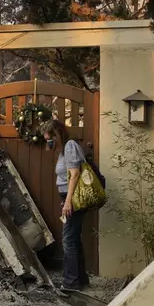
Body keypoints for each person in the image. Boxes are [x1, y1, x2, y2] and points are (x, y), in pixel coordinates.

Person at [41, 119, 90, 291]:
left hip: (74, 198)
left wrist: (68, 202)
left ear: (58, 133)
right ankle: (81, 278)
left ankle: (70, 283)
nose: (49, 142)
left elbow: (75, 174)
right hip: (69, 197)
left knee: (68, 239)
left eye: (50, 139)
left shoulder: (70, 146)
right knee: (74, 237)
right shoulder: (64, 149)